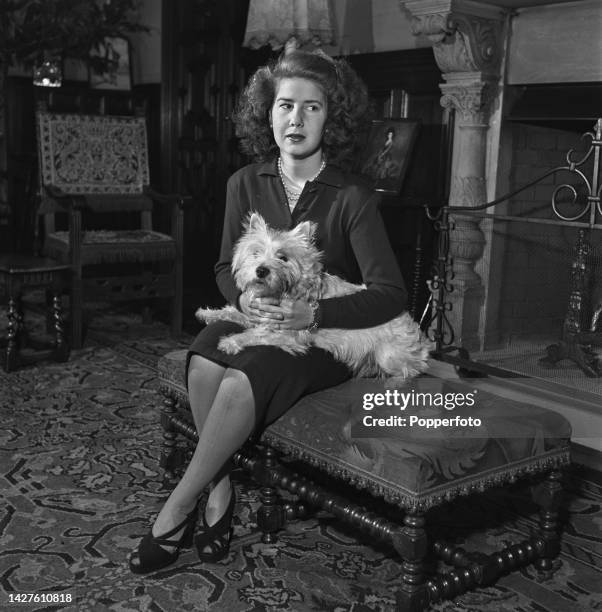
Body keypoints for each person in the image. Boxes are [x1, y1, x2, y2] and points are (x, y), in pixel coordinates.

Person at [129, 46, 407, 574]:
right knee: (206, 355)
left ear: (334, 118)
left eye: (312, 107)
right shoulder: (244, 182)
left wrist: (314, 317)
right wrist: (245, 302)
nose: (295, 119)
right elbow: (220, 267)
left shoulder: (353, 196)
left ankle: (178, 506)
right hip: (260, 322)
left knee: (242, 376)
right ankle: (220, 493)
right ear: (267, 113)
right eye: (284, 105)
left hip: (324, 339)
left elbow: (391, 293)